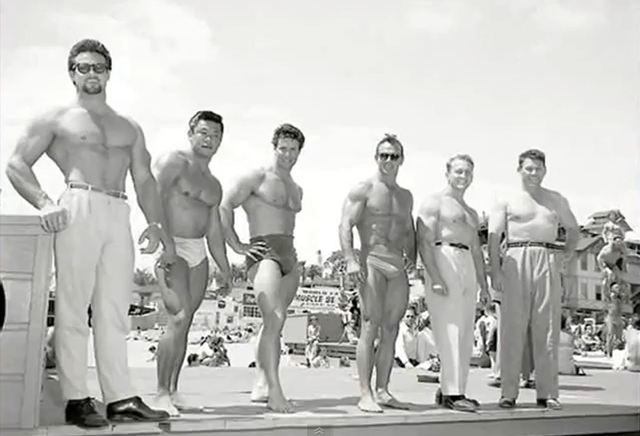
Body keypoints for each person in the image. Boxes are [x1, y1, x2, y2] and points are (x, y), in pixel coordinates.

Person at [5, 39, 173, 428]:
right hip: (76, 205)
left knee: (115, 308)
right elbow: (16, 163)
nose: (91, 73)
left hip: (119, 209)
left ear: (109, 72)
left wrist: (157, 223)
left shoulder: (128, 126)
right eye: (83, 67)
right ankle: (77, 398)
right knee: (73, 306)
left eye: (98, 66)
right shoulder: (57, 118)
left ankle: (120, 398)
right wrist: (45, 202)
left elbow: (145, 178)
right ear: (71, 73)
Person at [220, 123, 305, 413]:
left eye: (293, 150)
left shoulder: (296, 188)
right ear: (274, 147)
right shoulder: (256, 177)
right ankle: (275, 393)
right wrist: (236, 244)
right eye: (283, 148)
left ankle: (260, 383)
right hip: (263, 250)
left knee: (274, 325)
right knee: (275, 317)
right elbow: (224, 205)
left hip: (289, 255)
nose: (288, 155)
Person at [151, 110, 232, 415]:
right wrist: (166, 242)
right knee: (178, 316)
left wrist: (224, 268)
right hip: (172, 245)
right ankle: (160, 393)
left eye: (215, 136)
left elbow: (213, 231)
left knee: (185, 325)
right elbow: (153, 196)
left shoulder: (214, 184)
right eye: (204, 133)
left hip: (198, 252)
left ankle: (173, 390)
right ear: (190, 134)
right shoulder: (174, 162)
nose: (209, 139)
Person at [488, 149, 579, 410]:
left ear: (545, 170)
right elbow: (494, 236)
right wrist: (495, 271)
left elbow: (573, 229)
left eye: (538, 168)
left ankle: (547, 392)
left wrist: (566, 257)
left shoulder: (556, 199)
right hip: (516, 256)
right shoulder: (505, 197)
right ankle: (508, 392)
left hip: (548, 257)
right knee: (511, 329)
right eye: (528, 168)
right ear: (519, 169)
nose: (533, 173)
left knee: (548, 328)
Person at [339, 134, 416, 413]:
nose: (388, 160)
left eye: (393, 156)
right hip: (371, 260)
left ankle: (383, 389)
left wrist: (414, 258)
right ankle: (365, 393)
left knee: (391, 330)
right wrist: (350, 259)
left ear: (401, 160)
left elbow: (408, 229)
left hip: (397, 264)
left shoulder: (406, 196)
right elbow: (345, 224)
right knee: (369, 326)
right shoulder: (365, 189)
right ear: (376, 158)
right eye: (383, 155)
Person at [416, 154, 490, 412]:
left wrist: (484, 285)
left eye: (468, 172)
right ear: (447, 173)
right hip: (443, 255)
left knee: (465, 330)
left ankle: (454, 388)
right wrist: (435, 277)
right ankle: (452, 393)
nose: (463, 177)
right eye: (458, 171)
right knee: (449, 329)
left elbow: (478, 251)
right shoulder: (434, 202)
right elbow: (424, 241)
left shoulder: (471, 212)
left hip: (466, 261)